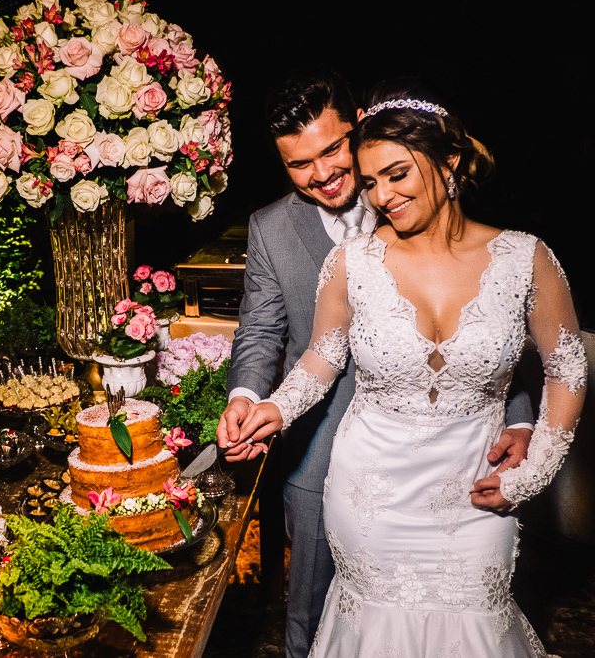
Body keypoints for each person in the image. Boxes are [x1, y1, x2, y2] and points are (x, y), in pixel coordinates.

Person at [225, 82, 586, 656]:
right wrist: (267, 404)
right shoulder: (342, 257)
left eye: (395, 174)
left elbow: (563, 366)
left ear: (449, 159)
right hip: (366, 487)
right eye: (371, 183)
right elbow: (318, 354)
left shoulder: (527, 257)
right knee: (346, 624)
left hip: (472, 486)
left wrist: (534, 464)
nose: (381, 196)